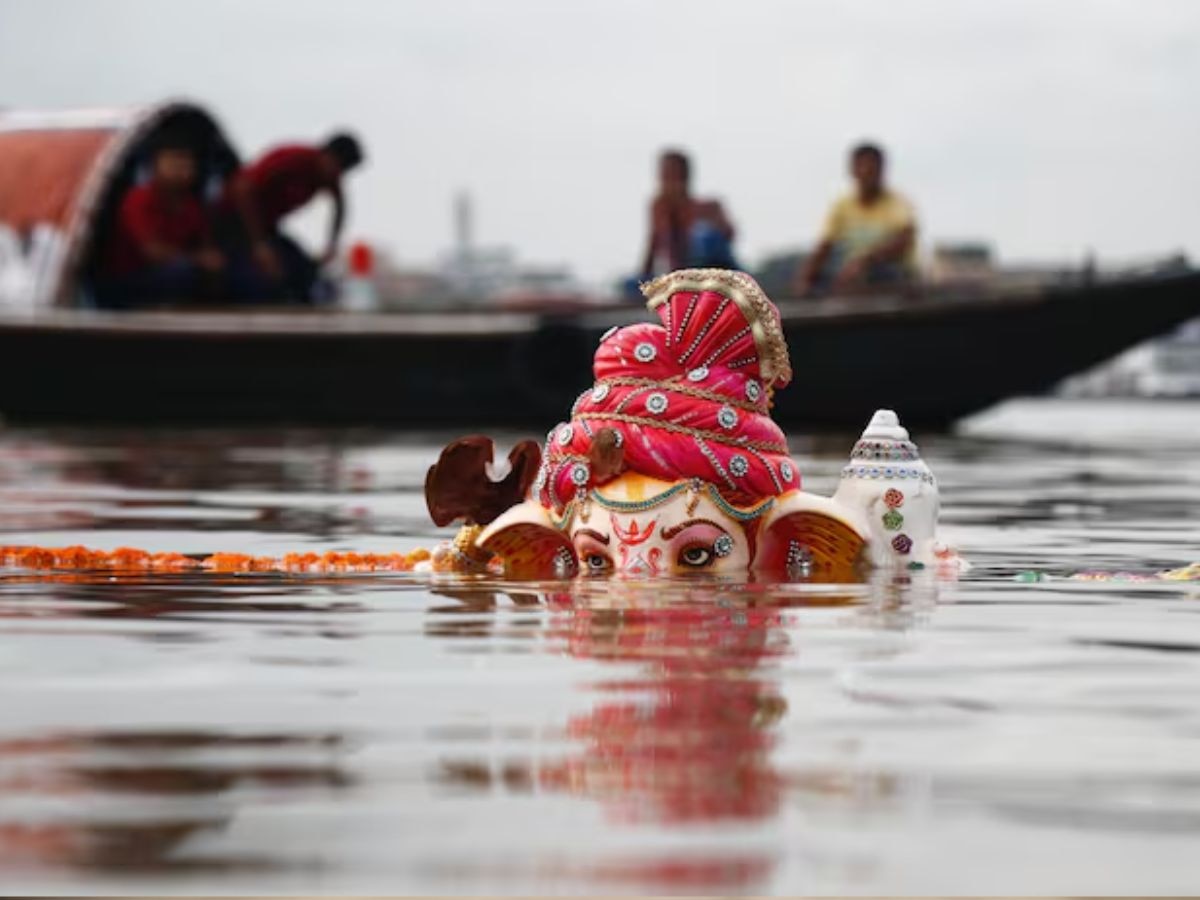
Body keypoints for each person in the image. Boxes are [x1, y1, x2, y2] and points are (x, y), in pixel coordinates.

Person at [217, 132, 365, 302]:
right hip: (232, 218)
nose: (336, 176)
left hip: (265, 226)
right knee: (262, 273)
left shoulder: (328, 176)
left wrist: (331, 245)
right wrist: (259, 244)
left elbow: (340, 206)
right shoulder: (295, 159)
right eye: (337, 168)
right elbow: (243, 189)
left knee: (305, 270)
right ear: (327, 155)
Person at [95, 140, 224, 308]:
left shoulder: (190, 205)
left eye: (187, 164)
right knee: (182, 271)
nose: (181, 171)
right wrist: (198, 260)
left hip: (167, 273)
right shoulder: (138, 200)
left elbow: (205, 244)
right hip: (128, 279)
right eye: (173, 163)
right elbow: (152, 253)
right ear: (155, 167)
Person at [794, 142, 917, 296]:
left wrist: (865, 262)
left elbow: (904, 240)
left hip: (889, 273)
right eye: (862, 167)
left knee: (884, 274)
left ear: (881, 171)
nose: (866, 173)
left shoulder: (898, 203)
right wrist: (805, 278)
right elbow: (825, 246)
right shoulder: (842, 206)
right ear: (853, 170)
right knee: (819, 281)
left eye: (871, 169)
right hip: (853, 276)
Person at [638, 149, 738, 282]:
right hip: (680, 277)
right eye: (664, 176)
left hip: (715, 275)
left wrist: (708, 222)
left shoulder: (708, 207)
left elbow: (729, 234)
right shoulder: (659, 207)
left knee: (705, 235)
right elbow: (653, 246)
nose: (667, 182)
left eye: (672, 175)